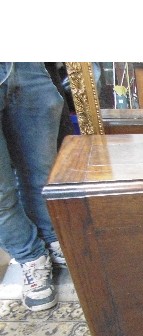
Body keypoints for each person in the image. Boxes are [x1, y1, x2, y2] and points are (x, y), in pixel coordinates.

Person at [0, 62, 67, 311]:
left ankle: (50, 237)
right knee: (1, 194)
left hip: (26, 63)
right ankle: (31, 256)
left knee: (44, 173)